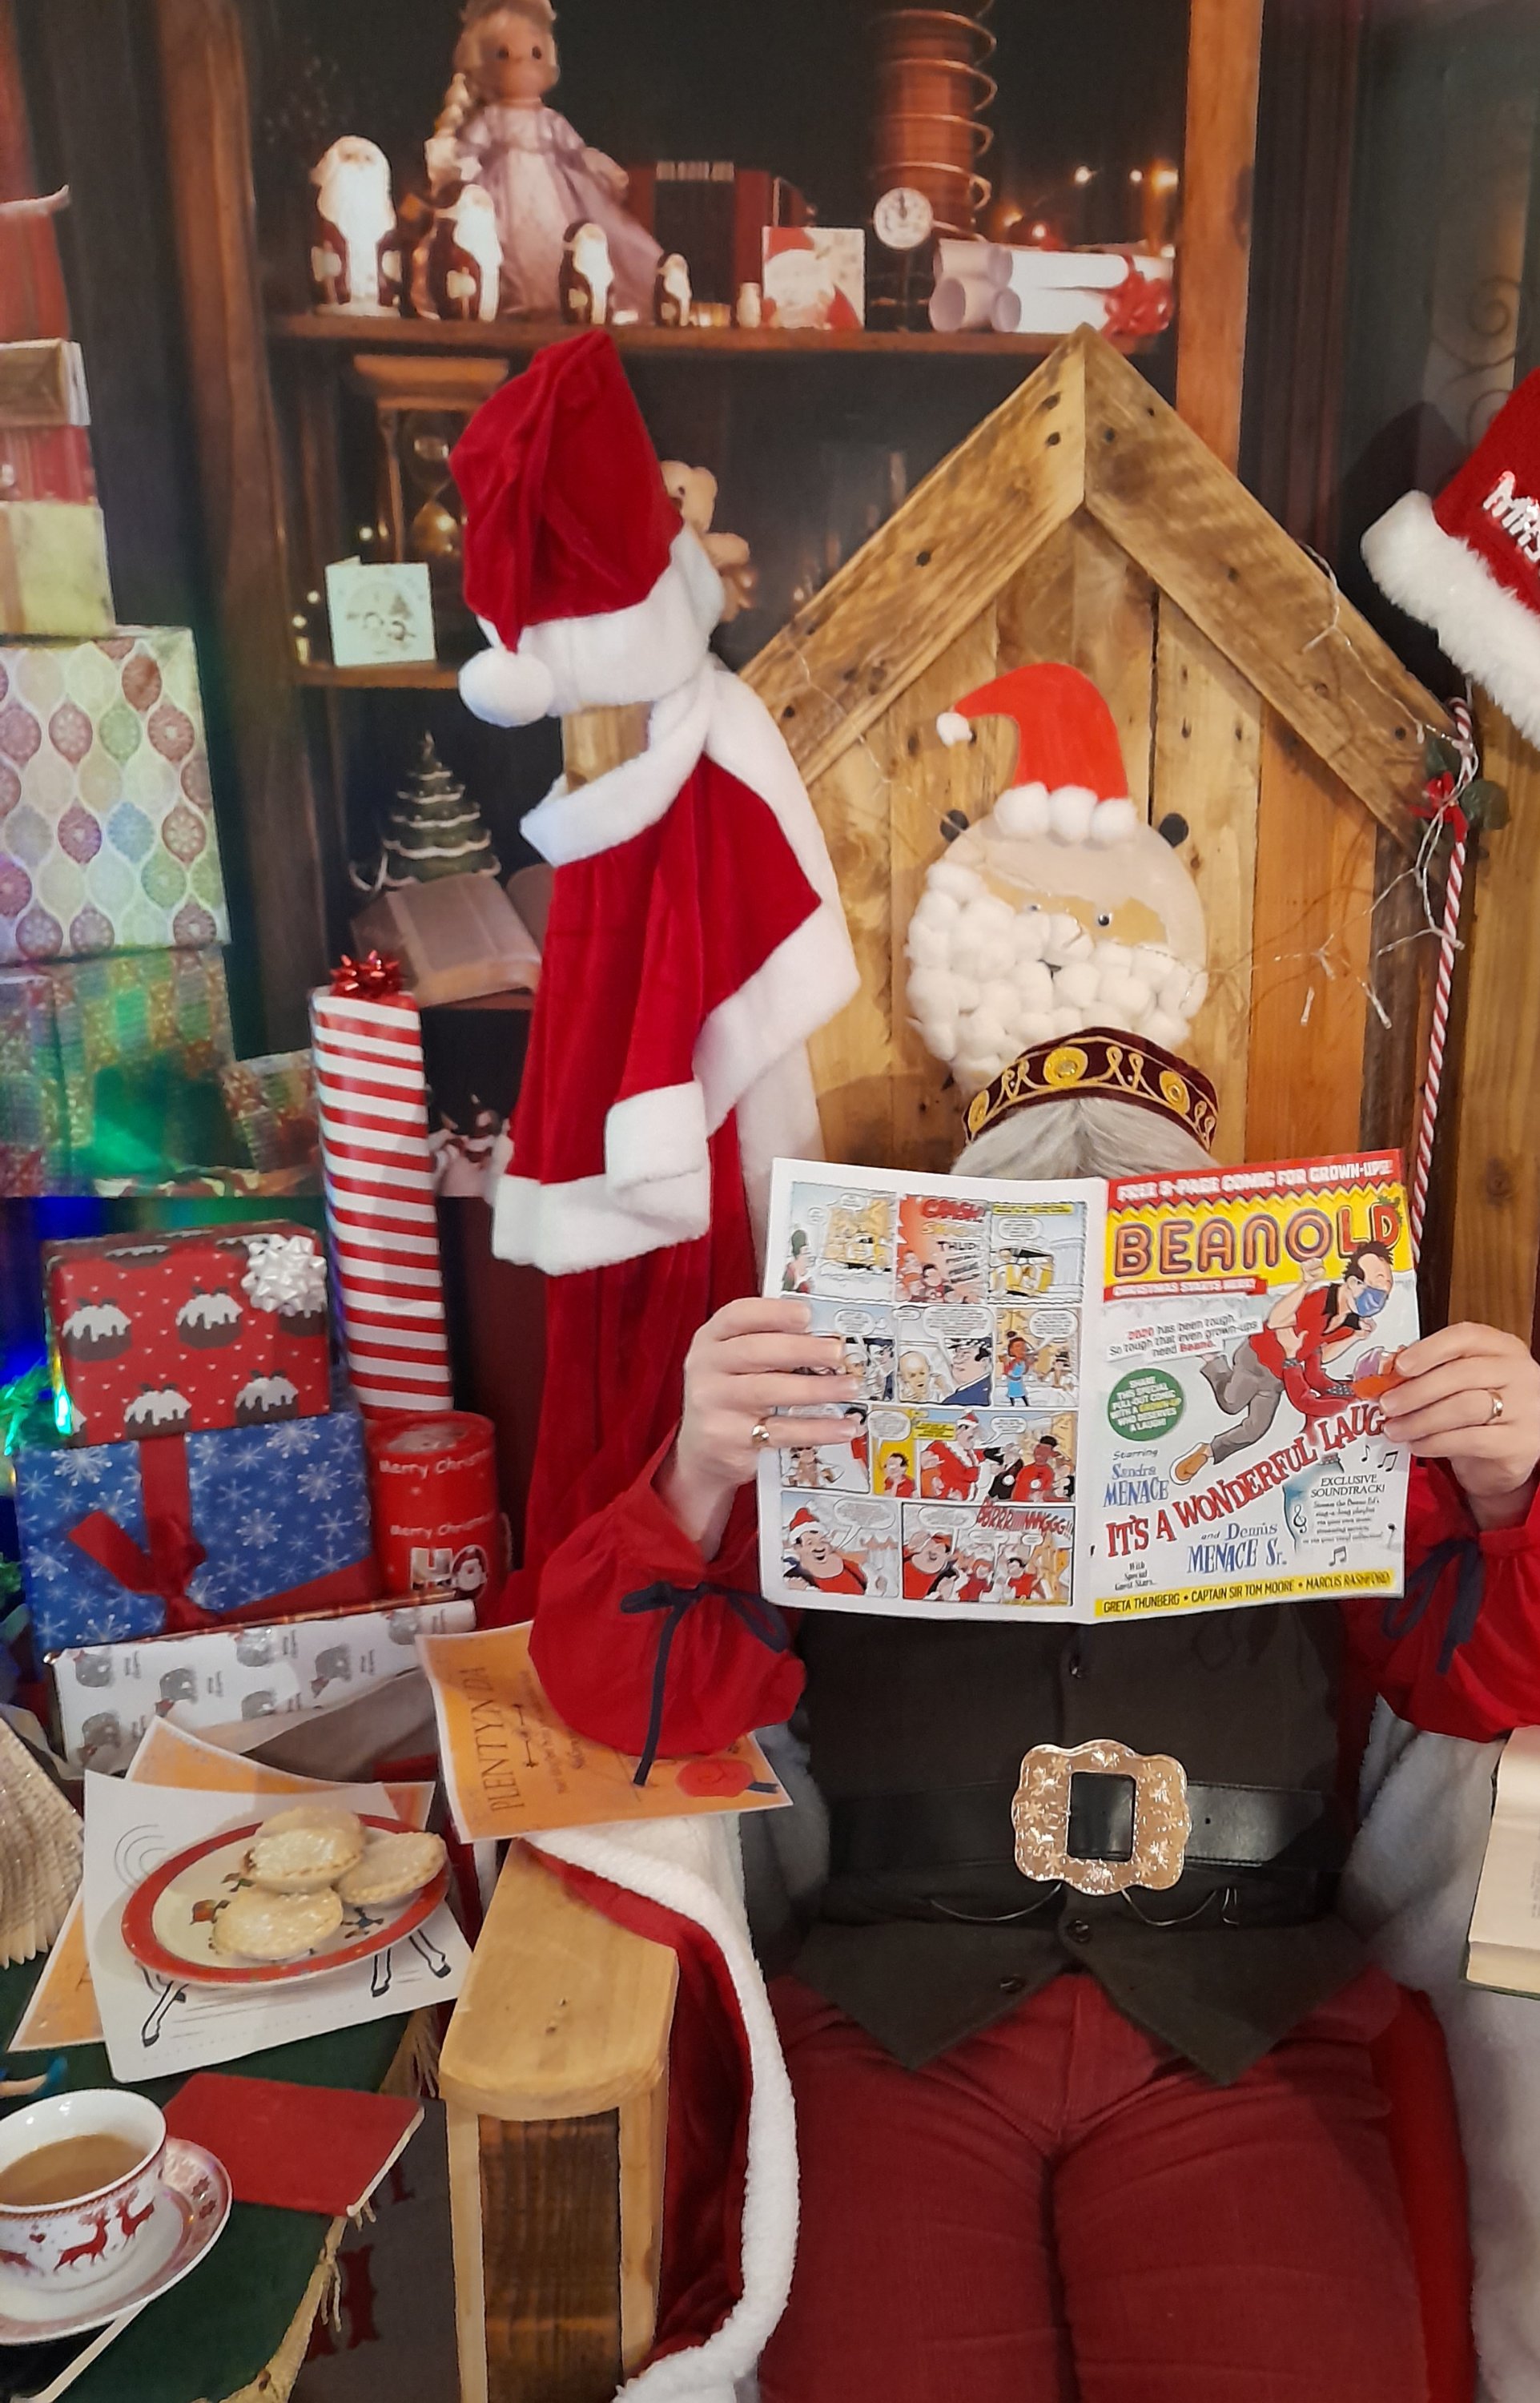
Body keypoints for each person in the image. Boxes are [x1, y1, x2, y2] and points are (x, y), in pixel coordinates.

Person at [528, 1048, 1540, 2403]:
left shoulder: (1343, 1435)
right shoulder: (816, 1439)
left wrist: (1506, 1491)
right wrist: (697, 1474)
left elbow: (1490, 1690)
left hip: (1240, 2006)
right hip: (898, 2003)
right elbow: (623, 1697)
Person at [1175, 1242, 1396, 1483]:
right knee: (1231, 1404)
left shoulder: (1349, 1323)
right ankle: (1213, 1360)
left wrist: (1355, 1338)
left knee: (1256, 1429)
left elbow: (1322, 1354)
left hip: (1278, 1378)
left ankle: (1208, 1451)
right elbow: (1276, 1320)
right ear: (1353, 1282)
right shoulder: (1322, 1299)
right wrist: (1305, 1284)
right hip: (1257, 1359)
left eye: (1386, 1290)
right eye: (1376, 1285)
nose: (1380, 1296)